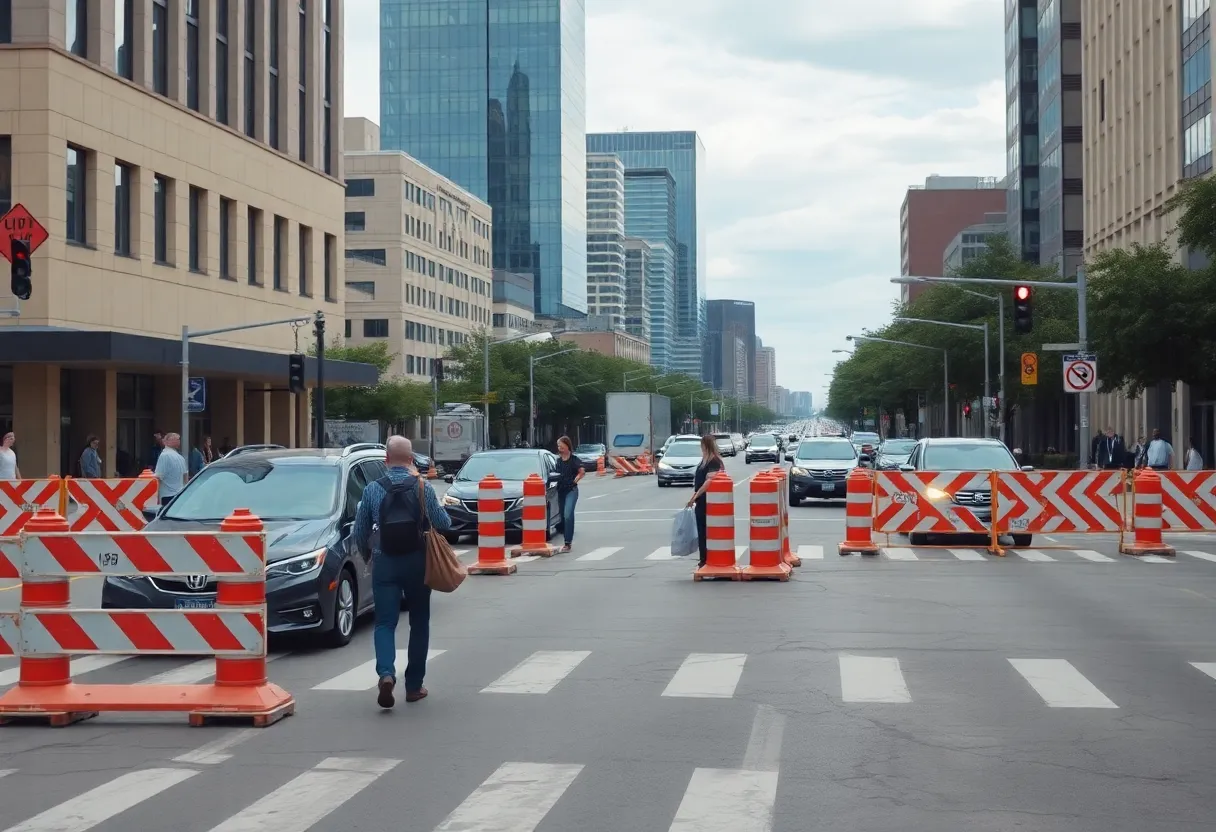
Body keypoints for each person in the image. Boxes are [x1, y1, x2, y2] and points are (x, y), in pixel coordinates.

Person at [353, 435, 452, 710]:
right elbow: (443, 522)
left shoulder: (372, 489)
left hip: (385, 561)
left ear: (386, 460)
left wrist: (368, 555)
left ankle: (386, 673)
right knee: (419, 622)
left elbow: (359, 531)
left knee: (385, 623)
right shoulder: (424, 487)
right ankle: (413, 686)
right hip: (418, 561)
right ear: (411, 460)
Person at [686, 435, 726, 568]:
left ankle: (706, 559)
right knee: (702, 530)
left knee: (705, 530)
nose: (701, 447)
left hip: (708, 500)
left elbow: (709, 482)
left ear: (706, 445)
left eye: (702, 445)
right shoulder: (705, 460)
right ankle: (704, 558)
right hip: (702, 500)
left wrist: (695, 496)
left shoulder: (713, 461)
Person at [553, 436, 585, 553]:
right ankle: (563, 531)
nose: (559, 448)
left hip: (571, 490)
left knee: (568, 514)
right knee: (562, 516)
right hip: (561, 490)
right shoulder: (558, 461)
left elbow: (582, 472)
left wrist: (574, 481)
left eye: (561, 445)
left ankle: (567, 542)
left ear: (567, 445)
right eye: (558, 446)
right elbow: (554, 474)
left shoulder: (574, 459)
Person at [153, 432, 188, 506]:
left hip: (167, 495)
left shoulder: (164, 456)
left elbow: (158, 477)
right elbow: (185, 478)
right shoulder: (180, 458)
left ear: (166, 442)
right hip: (179, 495)